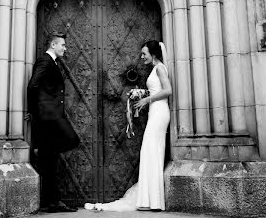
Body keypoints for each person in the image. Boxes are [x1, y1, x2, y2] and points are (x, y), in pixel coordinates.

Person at [85, 40, 171, 212]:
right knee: (151, 152)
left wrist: (147, 99)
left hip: (160, 113)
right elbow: (157, 90)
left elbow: (168, 90)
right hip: (156, 111)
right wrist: (143, 95)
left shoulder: (160, 68)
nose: (142, 56)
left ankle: (153, 201)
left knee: (151, 151)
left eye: (144, 53)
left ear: (153, 54)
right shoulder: (156, 68)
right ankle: (150, 200)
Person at [27, 32, 80, 213]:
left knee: (50, 159)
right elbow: (32, 85)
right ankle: (52, 201)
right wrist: (33, 112)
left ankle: (51, 202)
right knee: (70, 141)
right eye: (63, 45)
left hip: (52, 116)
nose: (65, 48)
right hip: (49, 117)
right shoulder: (45, 61)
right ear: (53, 44)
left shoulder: (52, 62)